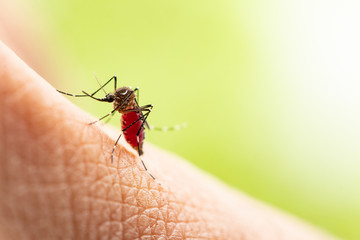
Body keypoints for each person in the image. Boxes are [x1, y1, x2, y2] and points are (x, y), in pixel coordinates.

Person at [0, 41, 339, 239]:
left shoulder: (128, 105)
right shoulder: (119, 97)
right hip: (129, 118)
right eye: (116, 101)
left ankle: (141, 153)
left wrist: (126, 125)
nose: (114, 101)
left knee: (136, 112)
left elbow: (131, 104)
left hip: (134, 127)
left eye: (115, 101)